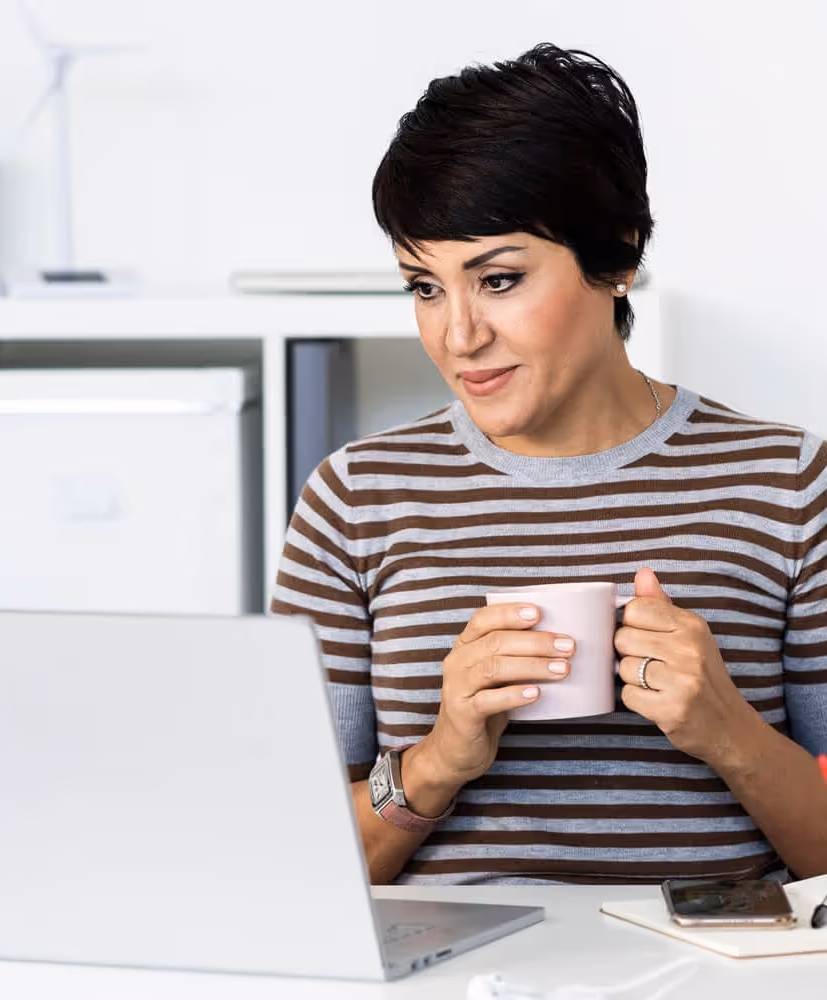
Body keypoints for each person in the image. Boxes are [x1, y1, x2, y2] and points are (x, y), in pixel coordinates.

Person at [271, 43, 827, 886]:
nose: (457, 336)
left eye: (498, 280)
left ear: (618, 255)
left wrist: (729, 733)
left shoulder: (787, 484)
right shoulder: (357, 498)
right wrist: (438, 762)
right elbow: (284, 865)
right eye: (424, 286)